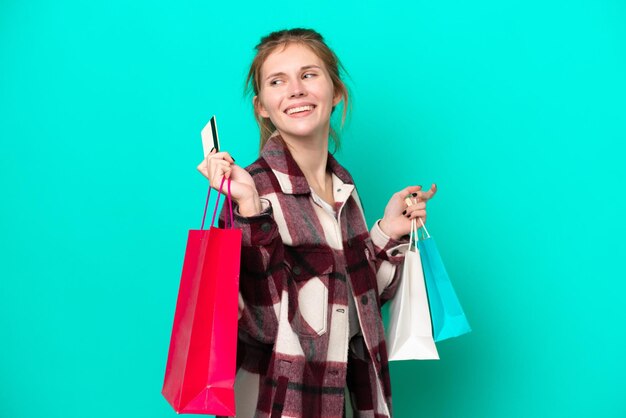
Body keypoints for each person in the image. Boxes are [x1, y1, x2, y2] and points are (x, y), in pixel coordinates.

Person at [197, 28, 437, 418]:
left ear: (336, 91)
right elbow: (262, 324)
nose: (295, 89)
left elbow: (352, 307)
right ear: (262, 106)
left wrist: (385, 234)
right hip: (279, 406)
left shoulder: (343, 186)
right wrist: (250, 209)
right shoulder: (249, 193)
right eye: (278, 81)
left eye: (309, 74)